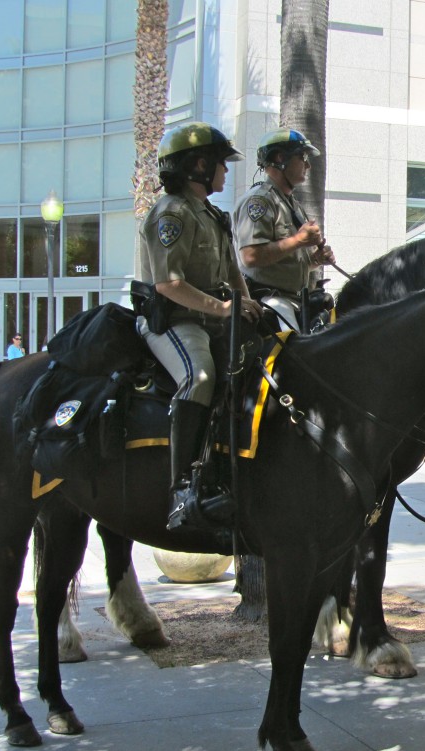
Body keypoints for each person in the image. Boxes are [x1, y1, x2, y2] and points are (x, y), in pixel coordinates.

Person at [136, 121, 263, 531]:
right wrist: (223, 309)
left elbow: (232, 269)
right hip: (173, 321)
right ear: (198, 165)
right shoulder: (170, 213)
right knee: (201, 376)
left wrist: (247, 303)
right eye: (221, 165)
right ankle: (182, 489)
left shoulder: (212, 214)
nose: (226, 173)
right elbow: (168, 284)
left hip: (212, 318)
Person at [234, 128, 334, 332]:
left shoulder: (291, 204)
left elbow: (289, 262)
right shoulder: (260, 201)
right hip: (269, 300)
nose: (307, 164)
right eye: (302, 157)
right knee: (294, 352)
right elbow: (250, 256)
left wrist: (315, 260)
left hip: (296, 299)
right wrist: (299, 240)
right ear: (281, 158)